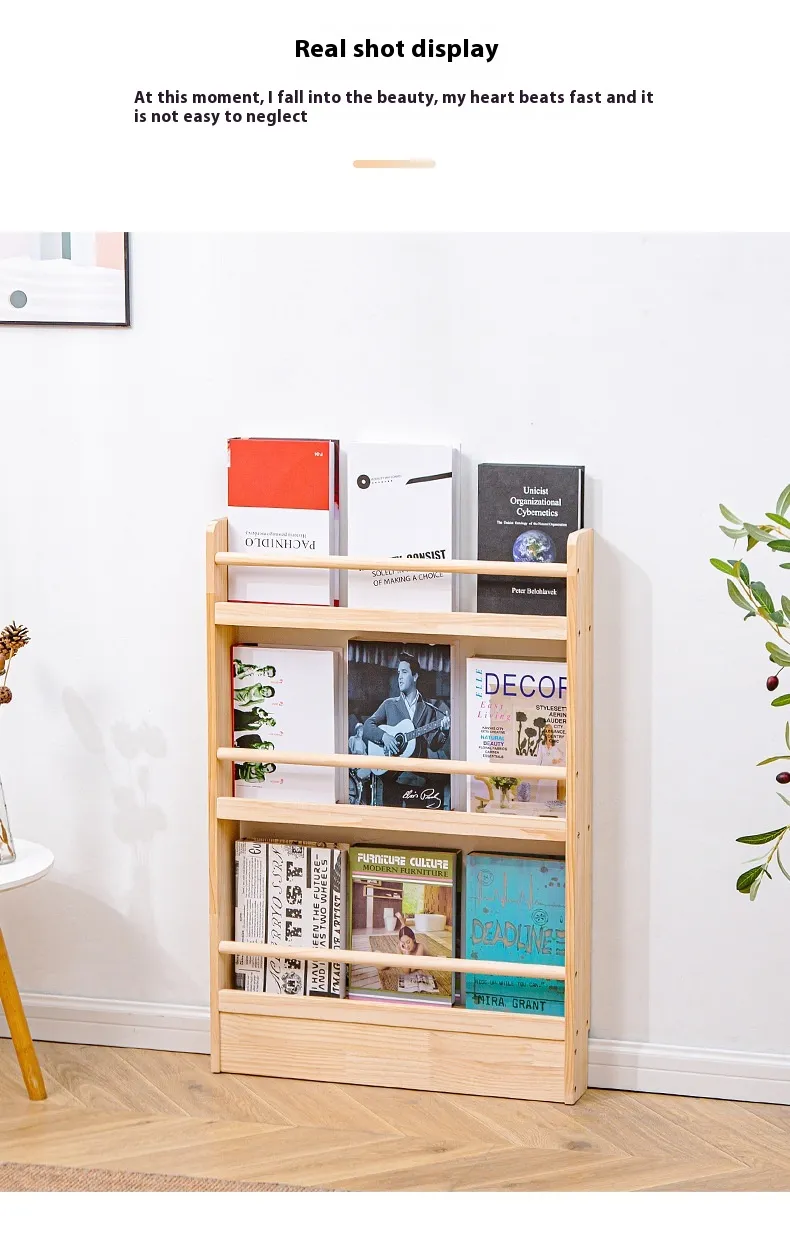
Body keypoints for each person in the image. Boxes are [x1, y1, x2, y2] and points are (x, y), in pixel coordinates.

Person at [362, 652, 450, 808]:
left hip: (417, 779)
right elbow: (368, 726)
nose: (399, 677)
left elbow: (434, 745)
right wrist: (384, 737)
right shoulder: (389, 704)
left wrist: (444, 731)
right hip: (391, 777)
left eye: (404, 672)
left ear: (415, 676)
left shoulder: (429, 709)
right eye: (398, 673)